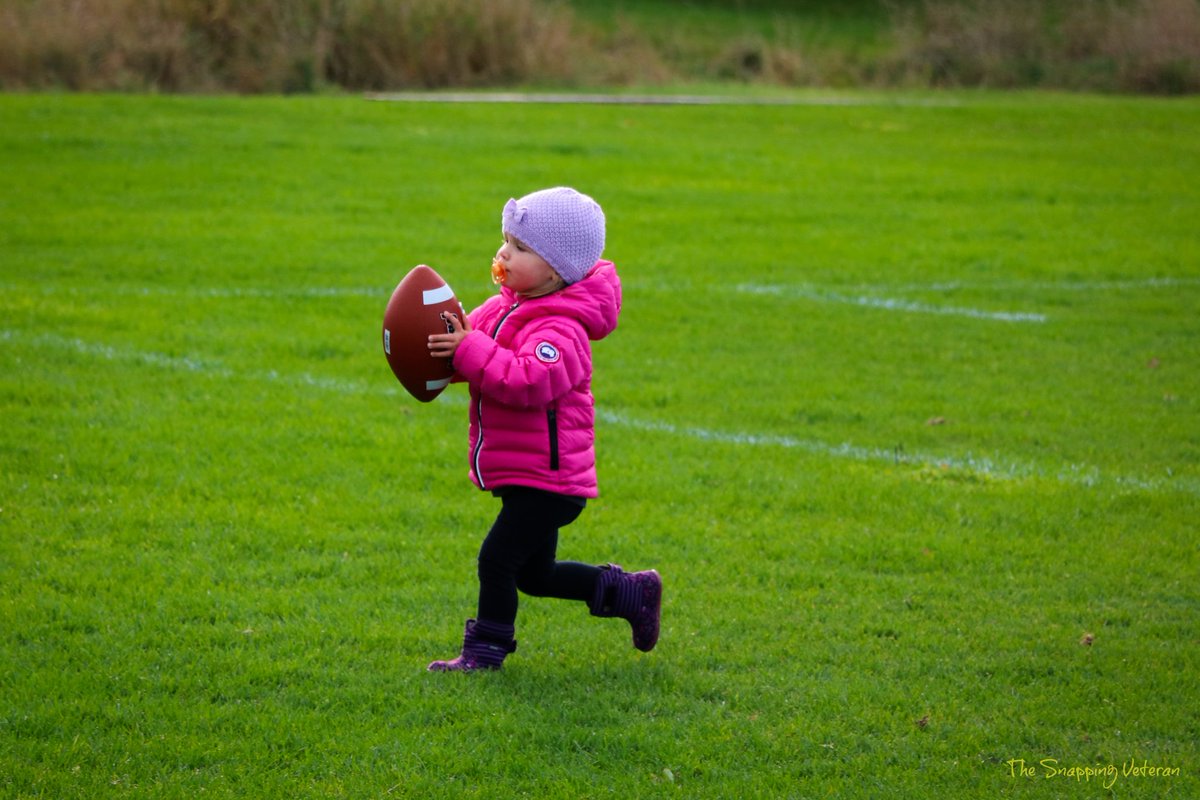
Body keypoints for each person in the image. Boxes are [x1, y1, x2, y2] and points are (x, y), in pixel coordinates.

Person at [425, 186, 662, 672]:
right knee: (534, 575)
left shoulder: (563, 328)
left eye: (521, 248)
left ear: (555, 269)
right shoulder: (501, 308)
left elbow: (526, 380)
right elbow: (473, 353)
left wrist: (469, 350)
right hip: (526, 472)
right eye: (506, 241)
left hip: (551, 482)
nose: (504, 254)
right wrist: (440, 352)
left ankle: (485, 654)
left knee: (496, 560)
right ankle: (630, 592)